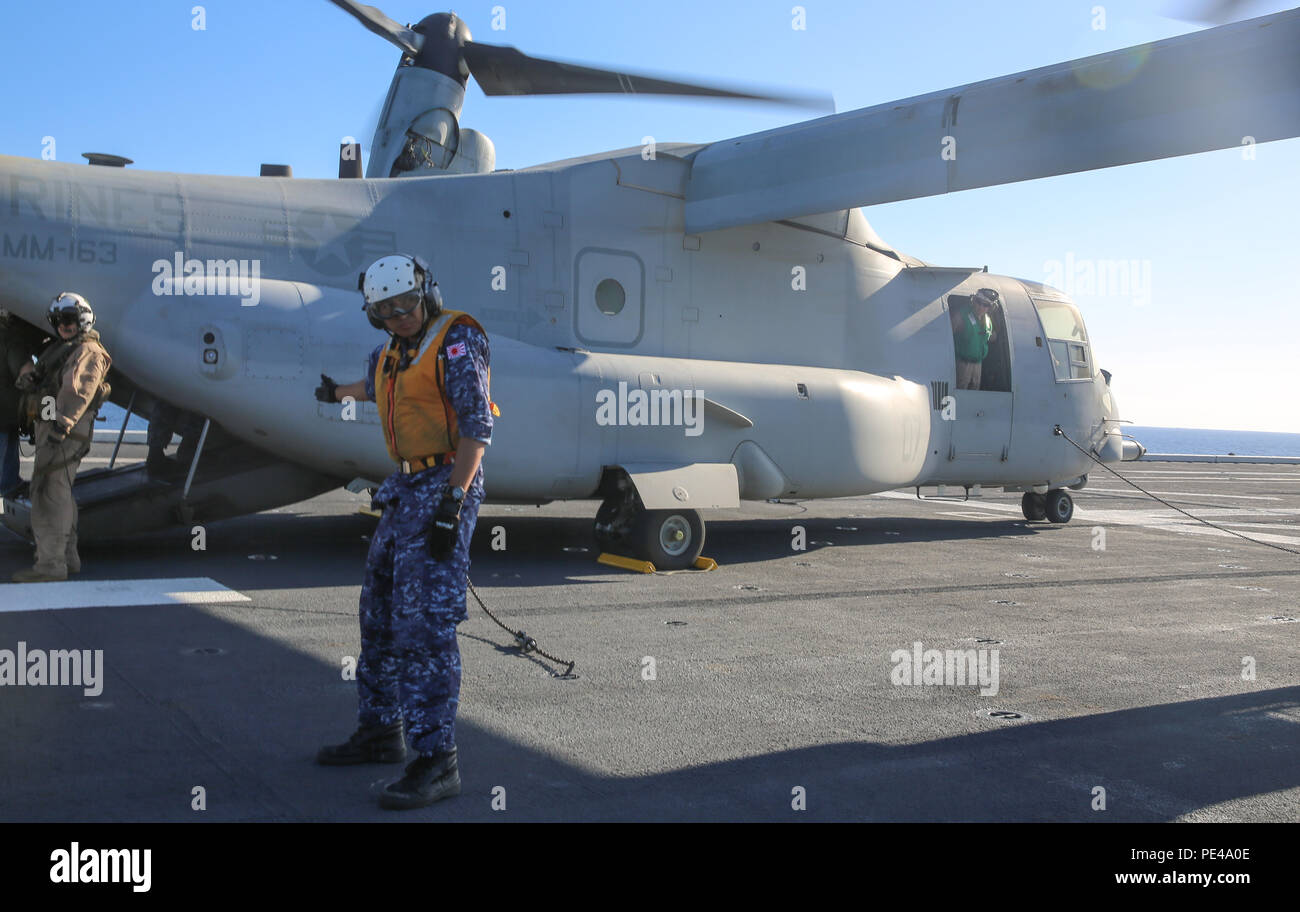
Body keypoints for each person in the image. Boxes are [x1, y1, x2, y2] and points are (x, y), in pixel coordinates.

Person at [313, 253, 496, 810]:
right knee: (379, 614)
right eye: (386, 311)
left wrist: (454, 502)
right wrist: (338, 393)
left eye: (407, 305)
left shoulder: (457, 340)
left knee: (426, 627)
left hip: (445, 483)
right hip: (403, 490)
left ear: (426, 294)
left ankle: (438, 760)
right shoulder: (390, 350)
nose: (400, 317)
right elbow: (379, 386)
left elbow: (477, 426)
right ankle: (380, 731)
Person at [12, 293, 112, 582]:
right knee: (60, 490)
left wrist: (60, 427)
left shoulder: (88, 351)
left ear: (82, 319)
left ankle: (50, 566)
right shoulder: (65, 348)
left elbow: (77, 392)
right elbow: (53, 385)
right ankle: (68, 558)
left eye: (69, 320)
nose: (63, 326)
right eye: (58, 321)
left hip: (64, 430)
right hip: (56, 427)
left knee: (47, 493)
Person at [0, 309, 44, 498]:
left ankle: (10, 486)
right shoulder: (11, 340)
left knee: (8, 469)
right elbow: (28, 376)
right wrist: (38, 413)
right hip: (7, 414)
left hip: (7, 417)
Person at [951, 287, 999, 390]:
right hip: (963, 363)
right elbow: (948, 334)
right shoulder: (961, 316)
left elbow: (990, 337)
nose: (981, 307)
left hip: (978, 364)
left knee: (974, 392)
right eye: (978, 302)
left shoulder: (988, 321)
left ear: (990, 308)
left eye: (985, 305)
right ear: (974, 301)